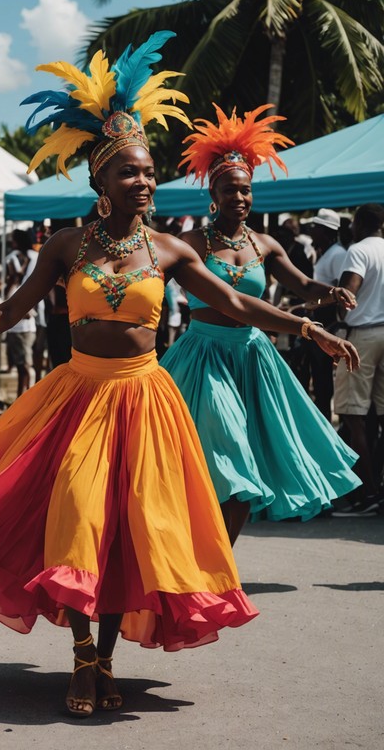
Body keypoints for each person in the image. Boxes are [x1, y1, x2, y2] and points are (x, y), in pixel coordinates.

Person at [0, 33, 358, 717]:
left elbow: (234, 302)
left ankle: (104, 658)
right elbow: (9, 312)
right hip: (77, 396)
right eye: (129, 174)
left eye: (148, 174)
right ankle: (83, 660)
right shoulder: (63, 245)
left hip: (145, 398)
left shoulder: (169, 249)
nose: (143, 183)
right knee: (80, 520)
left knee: (128, 534)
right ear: (98, 182)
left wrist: (305, 326)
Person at [160, 105, 360, 544]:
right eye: (230, 191)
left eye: (246, 190)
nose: (240, 199)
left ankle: (221, 564)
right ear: (213, 194)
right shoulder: (188, 243)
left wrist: (331, 294)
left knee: (246, 463)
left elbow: (306, 286)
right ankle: (193, 555)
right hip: (203, 357)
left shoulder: (266, 244)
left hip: (253, 356)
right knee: (220, 453)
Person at [332, 203, 384, 515]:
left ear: (359, 224)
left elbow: (348, 295)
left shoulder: (359, 250)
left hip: (362, 335)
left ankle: (368, 494)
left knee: (354, 416)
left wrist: (338, 314)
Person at [308, 209, 347, 418]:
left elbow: (342, 291)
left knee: (325, 378)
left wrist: (317, 304)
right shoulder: (326, 253)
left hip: (329, 323)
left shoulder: (338, 254)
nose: (312, 231)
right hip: (320, 321)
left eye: (316, 228)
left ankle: (328, 420)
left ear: (325, 231)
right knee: (321, 377)